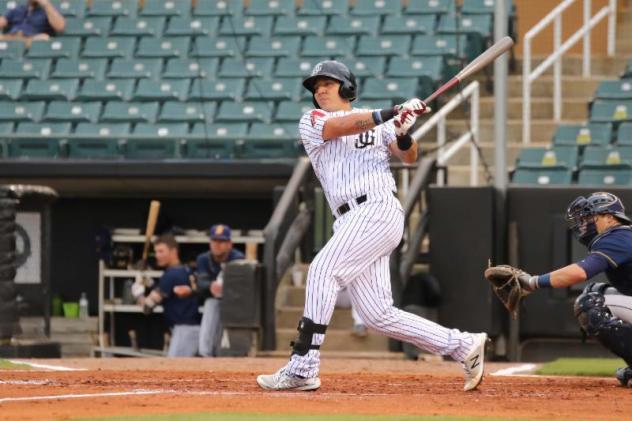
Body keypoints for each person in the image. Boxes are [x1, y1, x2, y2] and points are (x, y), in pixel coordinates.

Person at [256, 60, 488, 392]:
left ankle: (303, 366)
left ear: (346, 87)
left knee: (322, 270)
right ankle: (461, 345)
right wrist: (393, 112)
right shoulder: (313, 120)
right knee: (377, 314)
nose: (320, 89)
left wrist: (403, 131)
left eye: (328, 83)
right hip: (350, 219)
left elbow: (408, 156)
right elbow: (341, 128)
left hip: (376, 209)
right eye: (316, 86)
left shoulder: (379, 122)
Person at [510, 192, 632, 387]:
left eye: (591, 217)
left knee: (591, 303)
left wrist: (532, 282)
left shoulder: (617, 236)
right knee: (597, 291)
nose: (584, 224)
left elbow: (579, 273)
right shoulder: (624, 235)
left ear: (610, 218)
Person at [134, 234, 200, 357]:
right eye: (156, 252)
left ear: (173, 251)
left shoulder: (171, 274)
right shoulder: (185, 269)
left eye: (161, 251)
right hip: (190, 329)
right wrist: (149, 282)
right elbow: (167, 291)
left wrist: (138, 293)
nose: (158, 255)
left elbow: (147, 308)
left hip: (183, 331)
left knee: (175, 372)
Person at [195, 224, 245, 357]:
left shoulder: (238, 258)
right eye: (214, 241)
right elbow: (200, 283)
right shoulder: (203, 259)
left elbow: (241, 286)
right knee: (211, 303)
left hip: (234, 302)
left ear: (229, 244)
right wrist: (210, 285)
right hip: (211, 299)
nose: (217, 245)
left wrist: (224, 287)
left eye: (221, 241)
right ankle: (205, 354)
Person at [0, 0, 65, 46]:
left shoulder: (49, 10)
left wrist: (45, 4)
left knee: (43, 38)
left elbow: (60, 27)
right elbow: (2, 21)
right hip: (12, 38)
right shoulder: (18, 9)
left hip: (32, 40)